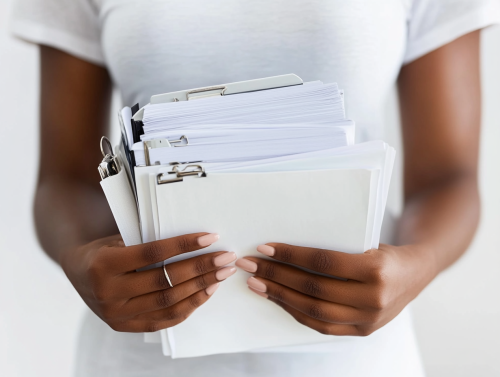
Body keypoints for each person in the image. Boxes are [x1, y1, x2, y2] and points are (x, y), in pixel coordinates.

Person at [10, 0, 500, 376]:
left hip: (353, 361)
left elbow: (448, 178)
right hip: (137, 358)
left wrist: (418, 262)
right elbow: (65, 178)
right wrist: (81, 257)